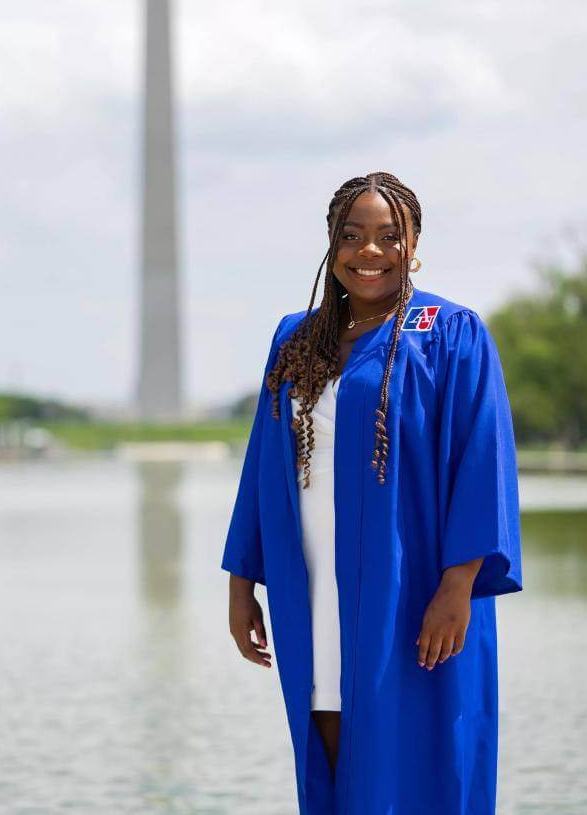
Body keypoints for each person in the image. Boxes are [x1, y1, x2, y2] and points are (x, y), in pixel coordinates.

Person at [221, 171, 523, 814]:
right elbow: (261, 465)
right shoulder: (295, 340)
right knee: (325, 716)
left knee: (422, 734)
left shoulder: (449, 332)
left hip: (408, 578)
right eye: (353, 235)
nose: (371, 251)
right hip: (314, 579)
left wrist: (458, 583)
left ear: (413, 245)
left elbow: (483, 460)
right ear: (331, 246)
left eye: (390, 236)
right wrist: (242, 581)